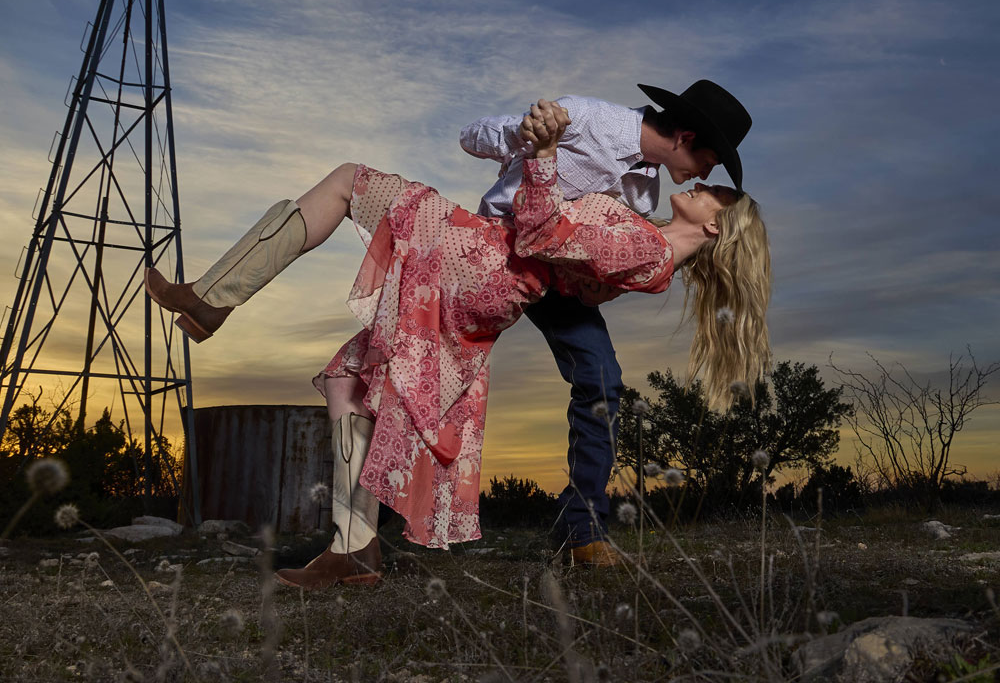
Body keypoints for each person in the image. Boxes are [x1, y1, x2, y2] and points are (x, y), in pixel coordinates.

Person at [144, 99, 770, 590]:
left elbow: (543, 231)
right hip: (488, 275)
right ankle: (353, 546)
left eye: (714, 191)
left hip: (483, 260)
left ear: (714, 225)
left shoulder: (645, 244)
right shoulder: (649, 239)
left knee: (346, 182)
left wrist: (546, 154)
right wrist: (535, 163)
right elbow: (575, 268)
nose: (703, 183)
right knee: (348, 380)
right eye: (711, 173)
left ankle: (213, 299)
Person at [460, 81, 753, 564]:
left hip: (555, 274)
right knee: (439, 370)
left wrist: (645, 270)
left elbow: (600, 261)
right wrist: (531, 136)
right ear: (685, 136)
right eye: (710, 159)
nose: (707, 171)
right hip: (503, 249)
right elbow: (472, 137)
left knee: (601, 383)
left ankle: (581, 530)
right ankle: (383, 517)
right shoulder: (585, 118)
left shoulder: (645, 192)